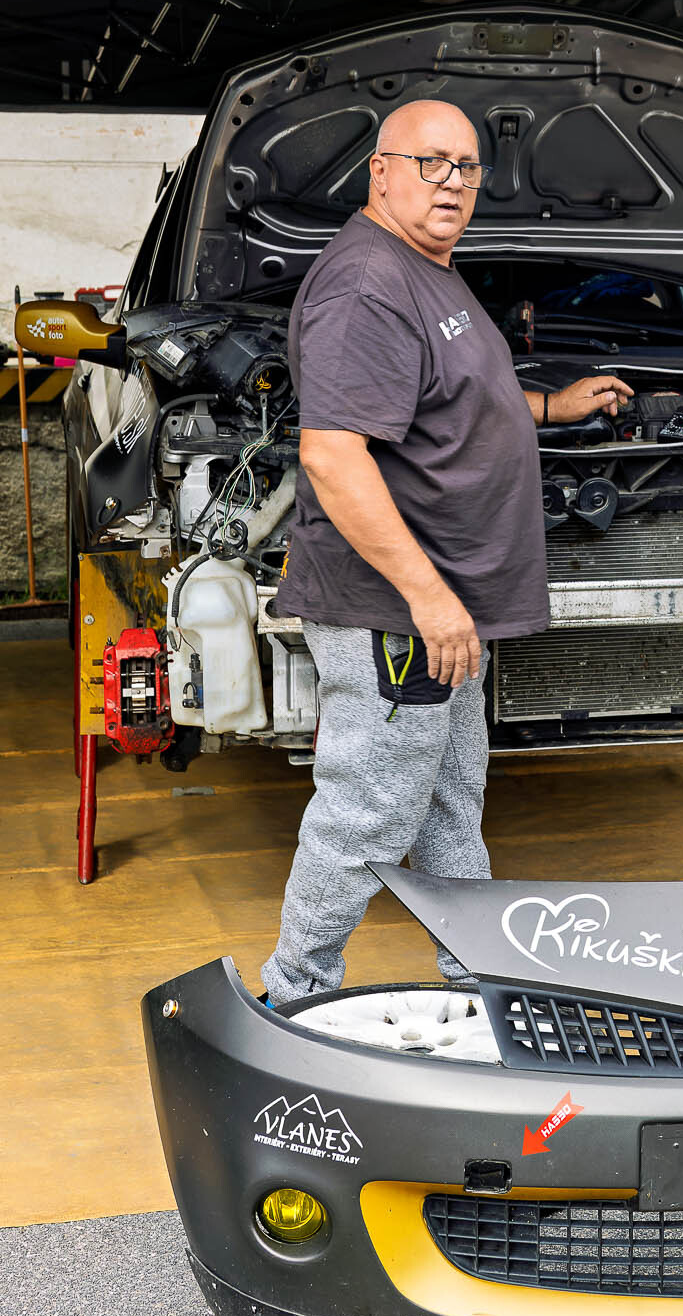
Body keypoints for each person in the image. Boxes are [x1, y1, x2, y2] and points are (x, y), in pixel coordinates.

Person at [261, 100, 631, 1003]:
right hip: (397, 612)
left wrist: (551, 407)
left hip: (442, 611)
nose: (453, 184)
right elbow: (333, 455)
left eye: (466, 167)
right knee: (369, 809)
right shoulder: (366, 284)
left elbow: (447, 402)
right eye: (431, 163)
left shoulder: (425, 269)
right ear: (380, 171)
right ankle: (292, 991)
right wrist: (428, 597)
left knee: (449, 800)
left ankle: (479, 976)